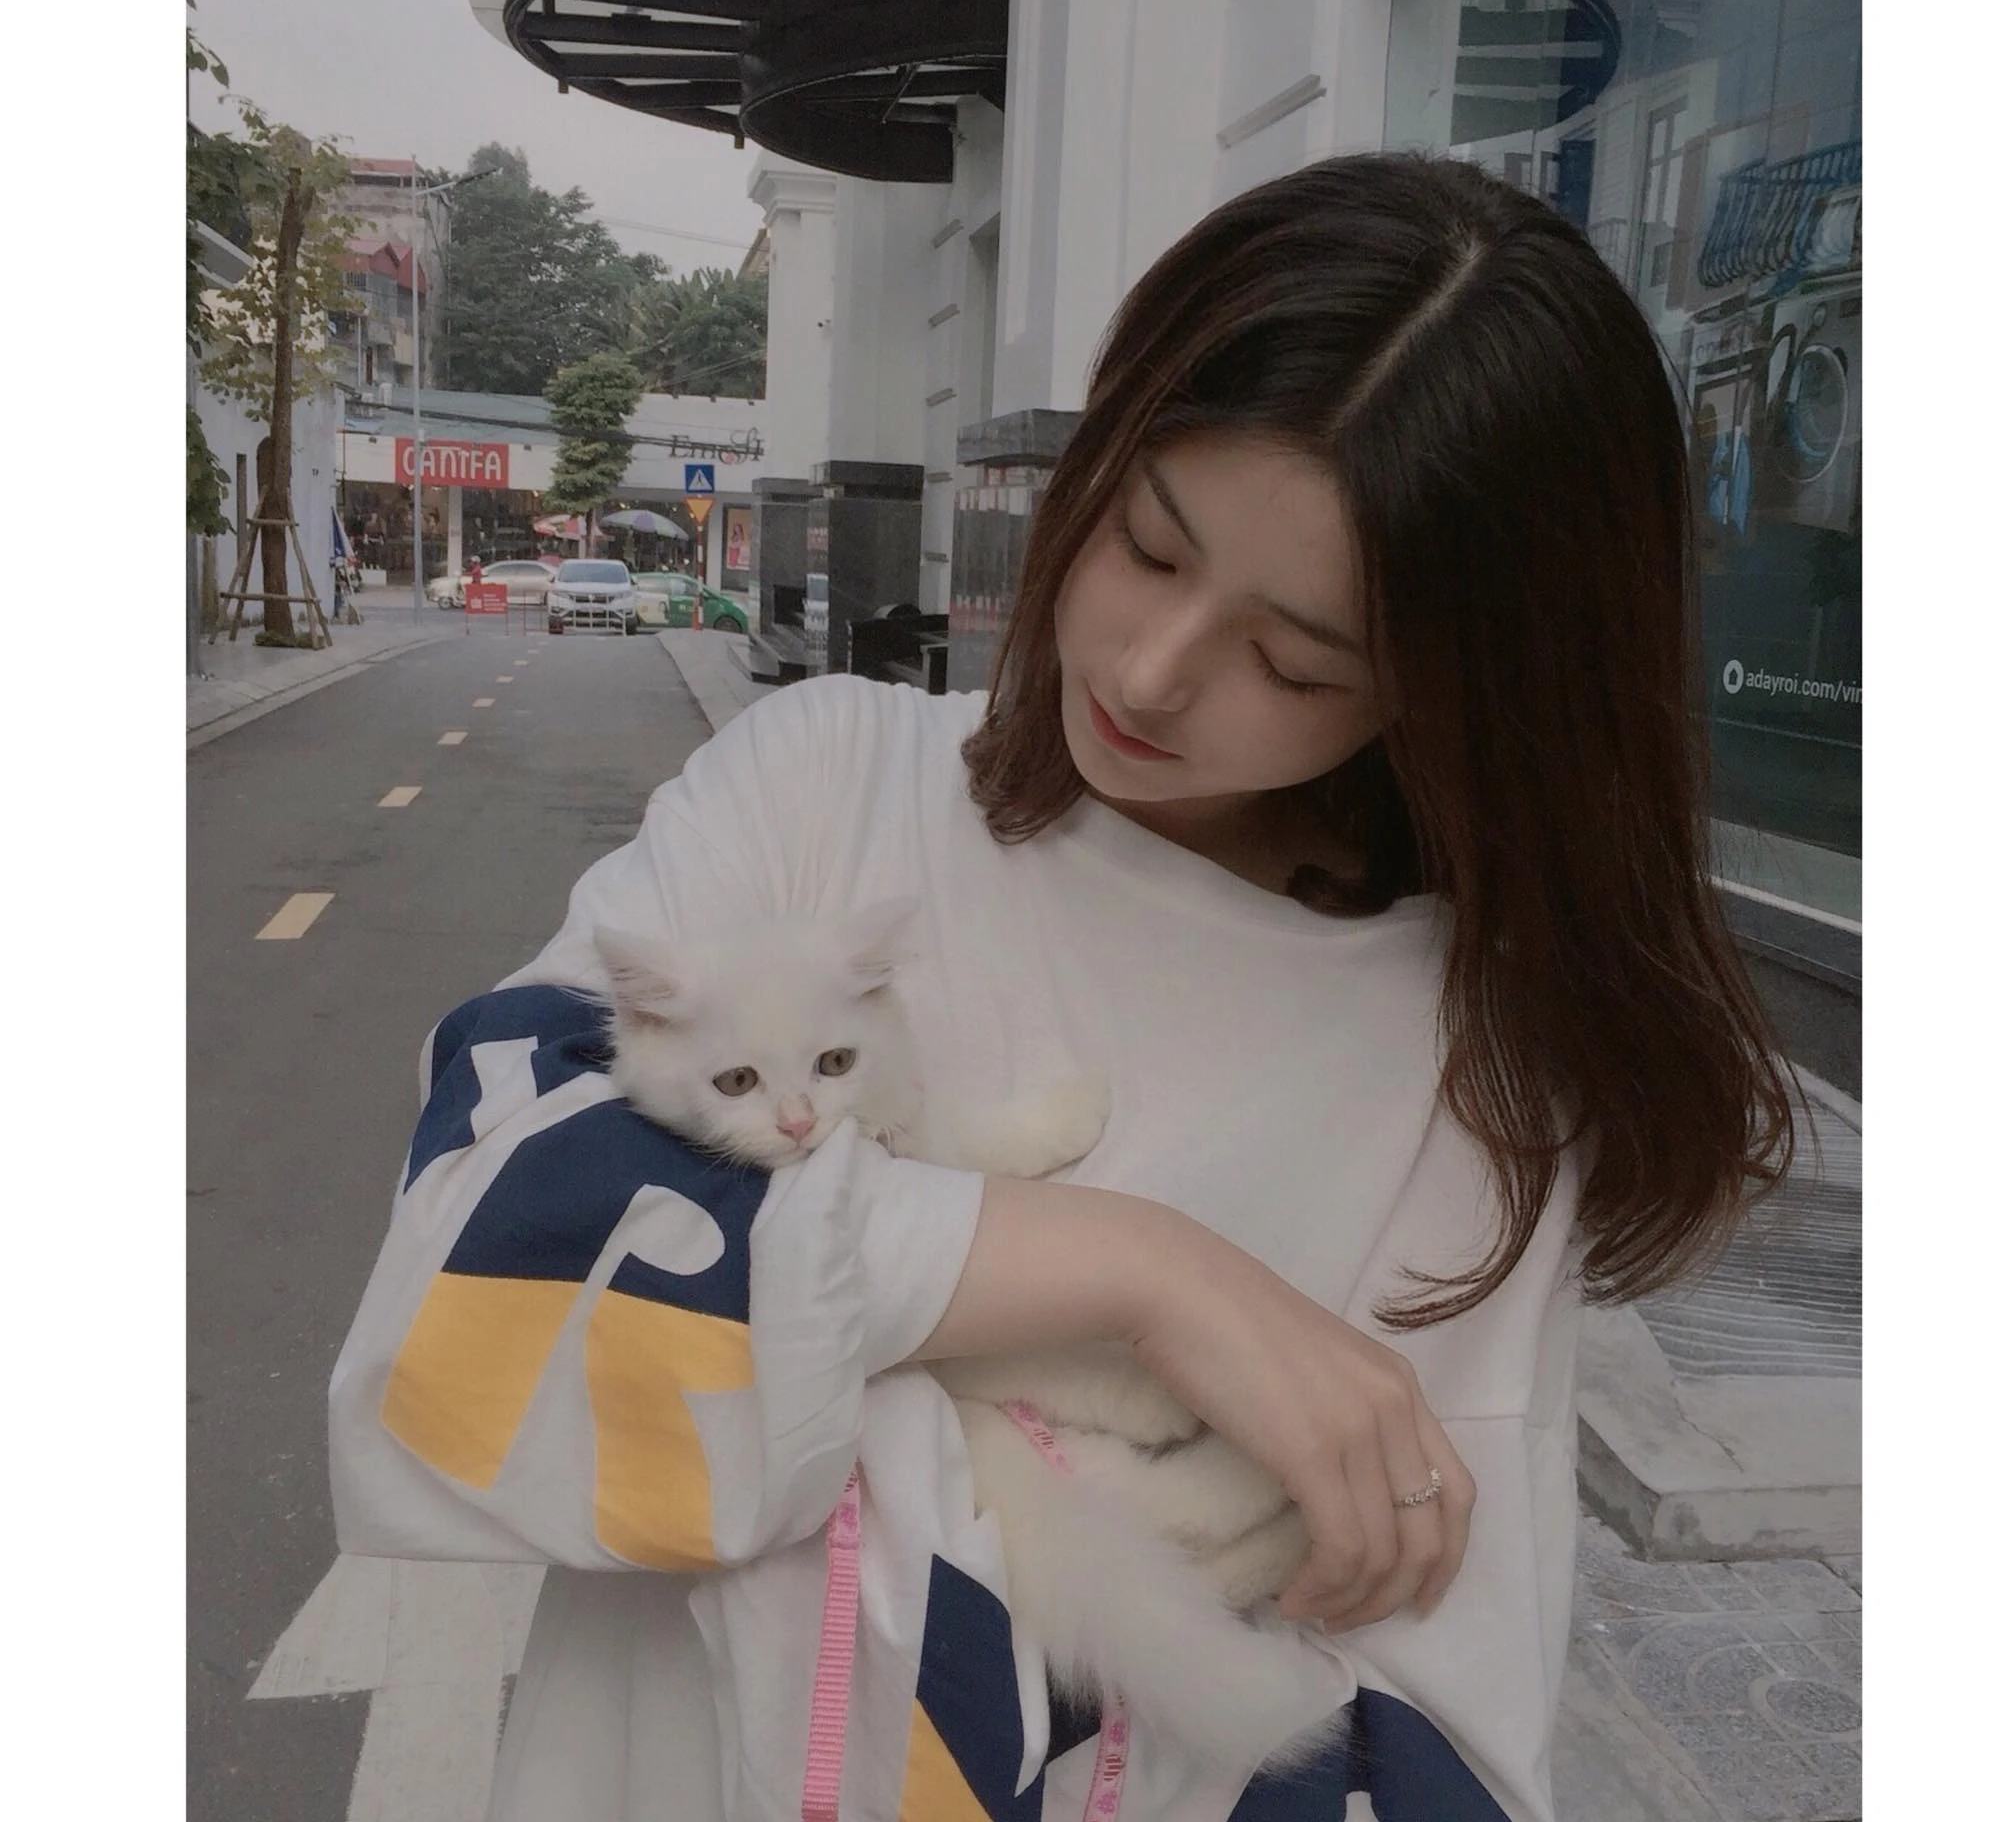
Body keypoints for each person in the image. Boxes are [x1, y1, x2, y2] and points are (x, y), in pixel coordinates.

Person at [330, 153, 1794, 1822]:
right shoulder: (829, 786)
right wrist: (1141, 1276)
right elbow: (466, 1287)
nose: (1151, 673)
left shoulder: (1470, 1061)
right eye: (1149, 546)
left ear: (1452, 692)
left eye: (1293, 660)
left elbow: (1414, 1709)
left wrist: (840, 1355)